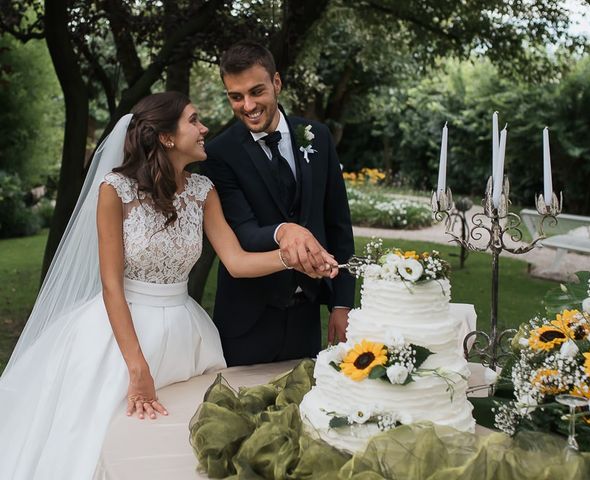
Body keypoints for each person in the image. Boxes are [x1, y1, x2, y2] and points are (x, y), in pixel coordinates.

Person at [0, 92, 337, 480]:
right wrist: (137, 367)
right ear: (165, 137)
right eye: (194, 120)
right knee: (104, 436)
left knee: (172, 445)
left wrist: (292, 260)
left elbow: (237, 262)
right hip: (121, 335)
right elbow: (110, 285)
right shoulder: (115, 190)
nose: (204, 128)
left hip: (185, 334)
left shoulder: (203, 191)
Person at [202, 41, 356, 366]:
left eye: (256, 91)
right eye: (235, 96)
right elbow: (242, 230)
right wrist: (285, 231)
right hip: (246, 322)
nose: (247, 105)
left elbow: (337, 222)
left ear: (276, 83)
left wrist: (342, 304)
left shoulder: (318, 136)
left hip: (306, 317)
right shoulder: (219, 153)